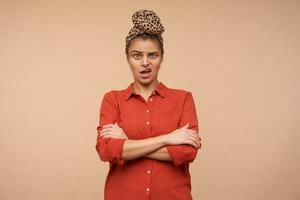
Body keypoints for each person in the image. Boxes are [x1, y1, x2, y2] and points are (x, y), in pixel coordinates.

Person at [95, 9, 202, 200]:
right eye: (137, 55)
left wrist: (127, 144)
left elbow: (187, 152)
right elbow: (107, 150)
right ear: (128, 58)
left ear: (161, 57)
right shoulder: (113, 99)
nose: (145, 63)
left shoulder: (183, 98)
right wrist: (169, 138)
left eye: (152, 55)